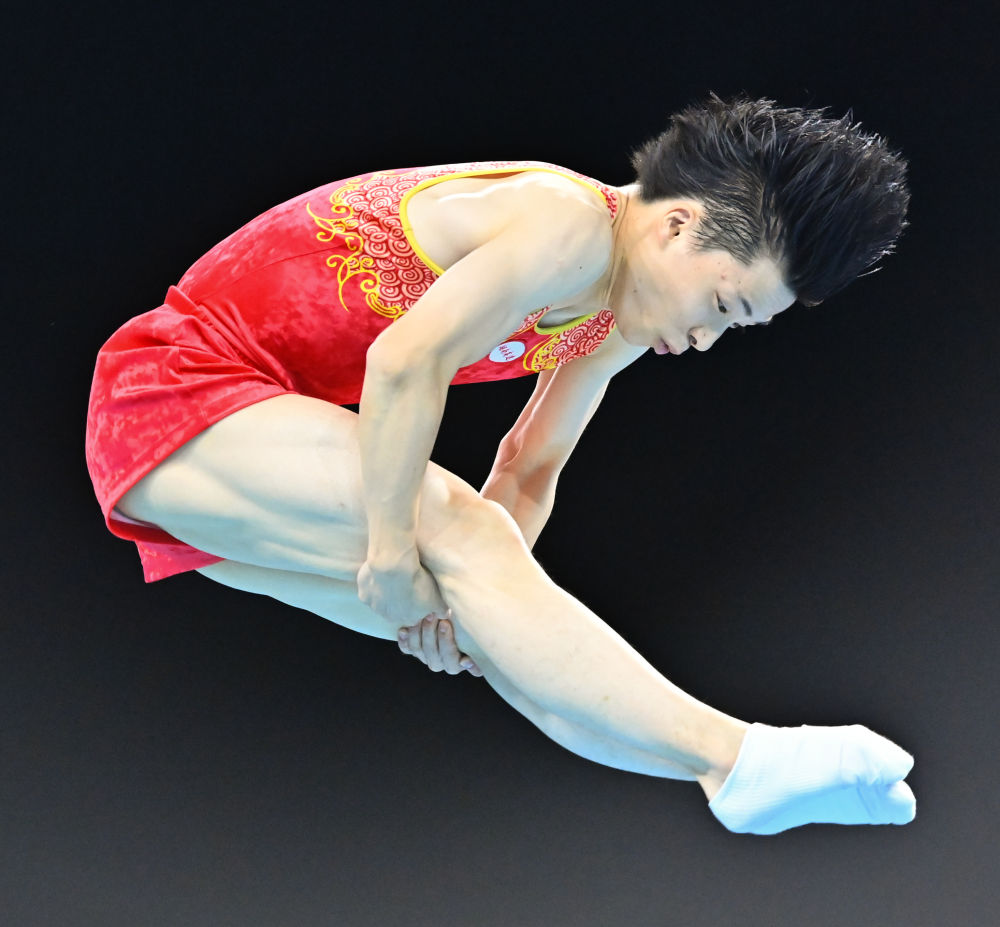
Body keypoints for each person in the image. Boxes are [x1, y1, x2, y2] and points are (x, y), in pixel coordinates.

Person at [85, 95, 916, 835]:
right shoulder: (566, 222)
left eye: (734, 327)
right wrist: (394, 555)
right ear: (676, 225)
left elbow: (526, 469)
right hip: (171, 388)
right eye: (722, 305)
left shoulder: (617, 319)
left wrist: (474, 605)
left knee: (497, 630)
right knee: (456, 526)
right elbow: (404, 363)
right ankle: (738, 752)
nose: (704, 339)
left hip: (237, 449)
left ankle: (721, 778)